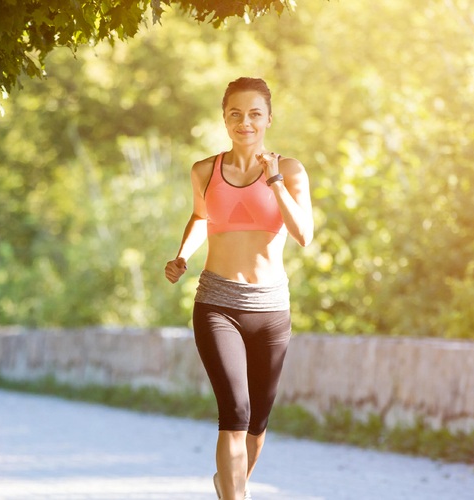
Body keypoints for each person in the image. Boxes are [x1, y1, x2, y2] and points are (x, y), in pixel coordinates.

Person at [164, 77, 313, 500]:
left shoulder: (292, 170)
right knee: (236, 411)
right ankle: (236, 496)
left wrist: (276, 181)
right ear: (224, 118)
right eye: (235, 113)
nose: (244, 122)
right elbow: (200, 218)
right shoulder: (205, 170)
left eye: (254, 114)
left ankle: (230, 486)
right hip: (217, 302)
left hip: (270, 308)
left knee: (258, 422)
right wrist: (182, 255)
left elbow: (304, 234)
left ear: (268, 118)